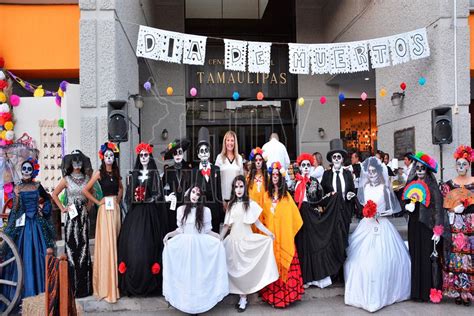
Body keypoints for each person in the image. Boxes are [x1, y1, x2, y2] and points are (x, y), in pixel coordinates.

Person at [344, 157, 411, 312]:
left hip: (381, 224)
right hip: (367, 226)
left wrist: (380, 213)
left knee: (387, 261)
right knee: (356, 263)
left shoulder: (384, 189)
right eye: (370, 171)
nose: (372, 174)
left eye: (375, 171)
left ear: (379, 172)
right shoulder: (365, 188)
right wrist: (367, 212)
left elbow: (393, 209)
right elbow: (360, 207)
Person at [162, 185, 228, 314]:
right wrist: (168, 235)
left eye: (198, 194)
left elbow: (207, 230)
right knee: (186, 275)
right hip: (185, 246)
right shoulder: (181, 210)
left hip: (200, 247)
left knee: (198, 275)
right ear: (189, 193)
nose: (195, 195)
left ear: (200, 197)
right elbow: (180, 229)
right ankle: (186, 304)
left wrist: (219, 238)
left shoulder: (205, 211)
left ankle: (199, 305)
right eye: (193, 192)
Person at [220, 175, 279, 312]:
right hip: (233, 240)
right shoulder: (231, 205)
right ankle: (235, 293)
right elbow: (226, 226)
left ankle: (243, 298)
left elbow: (257, 223)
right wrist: (220, 239)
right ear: (233, 189)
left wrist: (268, 233)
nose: (239, 189)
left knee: (244, 270)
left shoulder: (250, 203)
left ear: (244, 188)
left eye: (241, 186)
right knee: (234, 269)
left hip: (246, 240)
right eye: (236, 187)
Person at [1, 158, 55, 305]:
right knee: (21, 256)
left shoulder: (37, 186)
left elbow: (48, 199)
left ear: (33, 171)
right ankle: (23, 295)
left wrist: (44, 210)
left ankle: (41, 293)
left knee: (41, 254)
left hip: (37, 223)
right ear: (21, 171)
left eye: (28, 169)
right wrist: (16, 196)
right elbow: (16, 209)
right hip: (23, 226)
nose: (26, 172)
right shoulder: (17, 187)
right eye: (23, 169)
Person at [118, 143, 167, 296]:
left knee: (149, 246)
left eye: (146, 155)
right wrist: (136, 196)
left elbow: (159, 194)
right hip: (137, 213)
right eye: (142, 155)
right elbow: (127, 198)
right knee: (134, 246)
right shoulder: (133, 174)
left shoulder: (154, 174)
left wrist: (149, 198)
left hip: (150, 214)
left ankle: (149, 283)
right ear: (139, 157)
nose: (144, 157)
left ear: (149, 156)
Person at [259, 161, 304, 308]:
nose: (275, 177)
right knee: (272, 266)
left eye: (277, 175)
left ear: (281, 177)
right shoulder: (266, 196)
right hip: (270, 240)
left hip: (284, 239)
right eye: (273, 175)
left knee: (286, 265)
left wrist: (286, 231)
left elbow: (295, 218)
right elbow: (262, 217)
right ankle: (273, 298)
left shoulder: (286, 197)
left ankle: (287, 298)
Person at [83, 142, 122, 303]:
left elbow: (121, 188)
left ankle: (116, 283)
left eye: (111, 156)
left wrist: (118, 200)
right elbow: (85, 190)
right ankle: (106, 286)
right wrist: (98, 202)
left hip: (115, 211)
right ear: (102, 157)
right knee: (107, 245)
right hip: (105, 211)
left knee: (116, 242)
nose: (109, 158)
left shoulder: (116, 172)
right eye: (106, 156)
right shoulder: (99, 173)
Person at [51, 150, 93, 298]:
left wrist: (87, 209)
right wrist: (63, 208)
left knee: (84, 249)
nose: (77, 164)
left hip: (83, 218)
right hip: (71, 218)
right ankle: (71, 288)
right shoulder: (66, 179)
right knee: (71, 249)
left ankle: (84, 288)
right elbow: (54, 194)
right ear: (70, 163)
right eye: (74, 161)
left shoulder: (87, 178)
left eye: (79, 161)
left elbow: (91, 196)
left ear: (82, 163)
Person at [403, 152, 444, 302]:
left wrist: (438, 229)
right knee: (415, 255)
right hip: (414, 224)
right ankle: (416, 292)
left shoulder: (432, 186)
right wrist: (408, 206)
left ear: (427, 170)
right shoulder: (411, 184)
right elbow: (404, 200)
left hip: (427, 226)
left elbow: (438, 208)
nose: (420, 170)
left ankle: (429, 291)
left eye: (423, 168)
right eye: (418, 168)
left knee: (427, 257)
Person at [294, 153, 334, 289]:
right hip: (299, 216)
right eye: (303, 165)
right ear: (299, 167)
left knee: (313, 245)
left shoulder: (315, 182)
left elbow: (320, 199)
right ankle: (305, 278)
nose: (306, 168)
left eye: (308, 165)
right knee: (302, 245)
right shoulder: (296, 183)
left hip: (311, 215)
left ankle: (317, 278)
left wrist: (331, 197)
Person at [441, 145, 473, 306]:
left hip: (471, 225)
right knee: (456, 256)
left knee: (469, 256)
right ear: (455, 166)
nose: (461, 167)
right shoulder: (449, 184)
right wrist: (454, 208)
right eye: (458, 164)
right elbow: (445, 205)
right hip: (455, 225)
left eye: (464, 164)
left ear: (469, 165)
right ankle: (459, 291)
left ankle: (468, 292)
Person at [319, 139, 355, 281]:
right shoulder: (327, 175)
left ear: (342, 159)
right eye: (334, 157)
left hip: (344, 212)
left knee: (344, 239)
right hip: (331, 213)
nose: (336, 159)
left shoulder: (347, 174)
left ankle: (343, 272)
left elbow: (352, 191)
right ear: (331, 159)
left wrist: (351, 197)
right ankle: (334, 272)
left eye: (338, 157)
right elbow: (322, 194)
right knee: (333, 240)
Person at [192, 127, 224, 233]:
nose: (204, 153)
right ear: (198, 154)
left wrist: (221, 213)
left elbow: (219, 192)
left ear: (209, 153)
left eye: (206, 150)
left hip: (214, 211)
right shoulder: (194, 171)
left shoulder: (216, 169)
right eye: (202, 151)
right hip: (200, 210)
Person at [161, 138, 192, 233]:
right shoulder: (168, 171)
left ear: (183, 154)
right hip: (172, 206)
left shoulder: (189, 169)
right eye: (175, 153)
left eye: (180, 152)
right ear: (173, 155)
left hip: (186, 204)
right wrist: (167, 196)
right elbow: (163, 187)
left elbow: (194, 185)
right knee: (173, 228)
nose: (178, 155)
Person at [215, 131, 244, 205]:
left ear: (235, 143)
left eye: (232, 140)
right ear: (225, 142)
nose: (230, 143)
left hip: (236, 198)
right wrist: (221, 200)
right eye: (228, 140)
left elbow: (241, 179)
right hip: (223, 198)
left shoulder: (239, 158)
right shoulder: (219, 158)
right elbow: (216, 179)